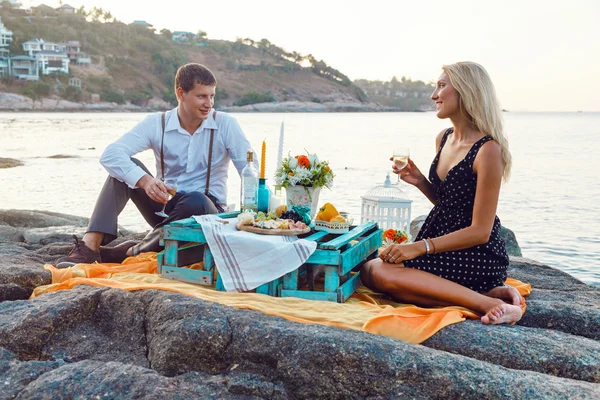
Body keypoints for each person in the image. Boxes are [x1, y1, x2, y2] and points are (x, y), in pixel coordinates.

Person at [360, 61, 523, 325]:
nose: (434, 95)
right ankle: (477, 294)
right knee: (368, 269)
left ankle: (488, 303)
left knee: (380, 273)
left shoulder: (489, 150)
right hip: (440, 243)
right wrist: (421, 182)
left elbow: (480, 230)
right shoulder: (444, 137)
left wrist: (419, 247)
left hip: (474, 252)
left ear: (466, 91)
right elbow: (449, 203)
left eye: (441, 86)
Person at [56, 63, 256, 267]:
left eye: (211, 96)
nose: (209, 103)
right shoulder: (156, 123)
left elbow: (250, 171)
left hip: (206, 210)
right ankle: (89, 248)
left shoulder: (226, 124)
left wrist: (256, 215)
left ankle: (135, 250)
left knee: (196, 199)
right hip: (165, 207)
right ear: (181, 93)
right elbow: (111, 154)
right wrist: (145, 181)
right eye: (201, 96)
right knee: (123, 171)